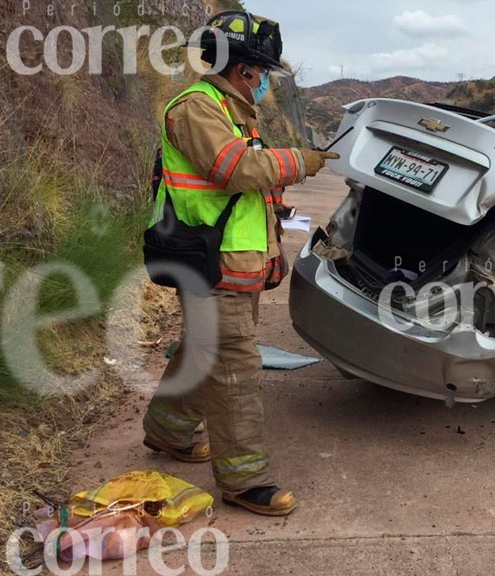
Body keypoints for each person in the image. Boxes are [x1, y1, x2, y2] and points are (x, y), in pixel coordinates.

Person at [142, 11, 338, 517]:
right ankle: (245, 479)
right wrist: (301, 160)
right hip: (210, 264)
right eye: (263, 71)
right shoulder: (196, 108)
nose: (267, 80)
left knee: (204, 351)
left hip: (230, 262)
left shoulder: (233, 113)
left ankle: (167, 431)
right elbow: (236, 170)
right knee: (235, 368)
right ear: (244, 69)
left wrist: (273, 240)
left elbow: (247, 191)